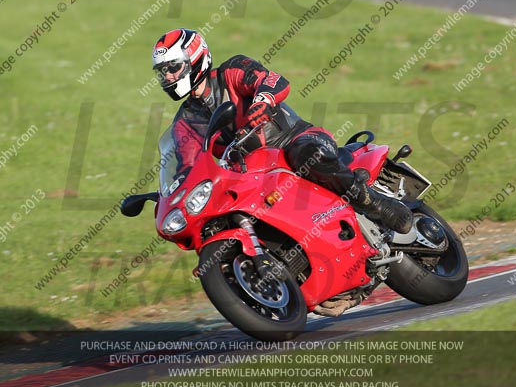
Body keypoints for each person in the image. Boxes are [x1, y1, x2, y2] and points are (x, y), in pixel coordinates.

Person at [151, 28, 413, 234]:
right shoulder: (186, 121)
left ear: (195, 59)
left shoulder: (231, 71)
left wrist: (262, 101)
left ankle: (375, 204)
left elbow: (273, 80)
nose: (169, 77)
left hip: (294, 140)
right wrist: (172, 193)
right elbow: (189, 165)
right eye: (163, 73)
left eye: (173, 68)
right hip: (257, 172)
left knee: (306, 155)